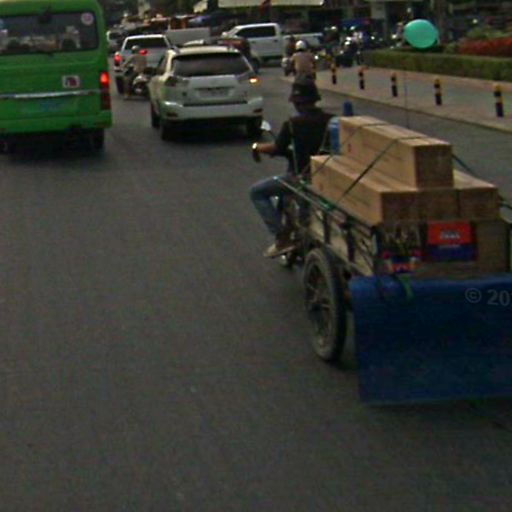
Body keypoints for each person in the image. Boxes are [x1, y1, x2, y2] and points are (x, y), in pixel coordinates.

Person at [249, 78, 332, 258]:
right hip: (328, 178)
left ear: (297, 103)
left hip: (301, 178)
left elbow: (277, 148)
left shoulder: (293, 125)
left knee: (256, 192)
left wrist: (257, 148)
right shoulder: (331, 121)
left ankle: (282, 237)